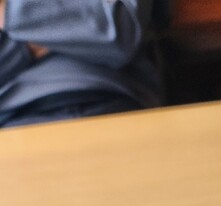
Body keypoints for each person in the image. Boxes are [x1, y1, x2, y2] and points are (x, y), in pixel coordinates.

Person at [0, 0, 165, 128]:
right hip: (16, 117)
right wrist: (74, 28)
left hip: (110, 98)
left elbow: (121, 28)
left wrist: (7, 12)